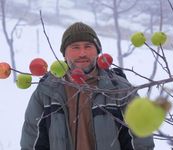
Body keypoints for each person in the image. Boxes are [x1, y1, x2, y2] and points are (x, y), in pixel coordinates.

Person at [20, 22, 155, 150]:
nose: (82, 53)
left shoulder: (119, 89)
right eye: (75, 47)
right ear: (64, 54)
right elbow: (32, 139)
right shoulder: (47, 90)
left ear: (97, 52)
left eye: (88, 46)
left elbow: (141, 140)